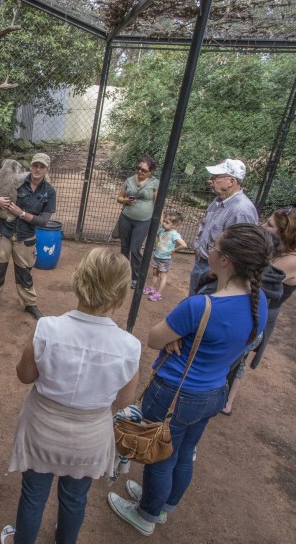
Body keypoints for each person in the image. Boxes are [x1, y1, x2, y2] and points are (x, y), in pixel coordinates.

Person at [108, 223, 271, 536]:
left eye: (215, 246)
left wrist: (178, 335)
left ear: (225, 261)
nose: (209, 249)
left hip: (175, 392)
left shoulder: (201, 306)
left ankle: (146, 514)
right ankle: (165, 505)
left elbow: (155, 338)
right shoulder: (258, 300)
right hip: (213, 392)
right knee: (184, 452)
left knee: (160, 455)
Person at [0, 248, 140, 544]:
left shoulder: (47, 329)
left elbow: (25, 376)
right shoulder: (129, 347)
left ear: (80, 279)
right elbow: (123, 402)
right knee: (75, 500)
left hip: (42, 431)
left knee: (33, 495)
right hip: (88, 439)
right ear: (120, 292)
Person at [221, 206, 296, 415]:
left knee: (236, 358)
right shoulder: (278, 252)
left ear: (287, 233)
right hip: (252, 310)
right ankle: (226, 399)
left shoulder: (292, 261)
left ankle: (225, 400)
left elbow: (254, 280)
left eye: (269, 225)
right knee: (236, 357)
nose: (263, 226)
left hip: (260, 315)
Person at [0, 153, 57, 322]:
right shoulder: (17, 179)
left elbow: (44, 221)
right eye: (35, 166)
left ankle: (29, 304)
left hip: (25, 236)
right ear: (30, 166)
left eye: (42, 167)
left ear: (47, 169)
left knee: (25, 272)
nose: (37, 169)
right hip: (2, 231)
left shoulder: (49, 192)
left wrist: (21, 213)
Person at [189, 159, 258, 296]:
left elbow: (241, 250)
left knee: (204, 308)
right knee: (194, 302)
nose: (210, 180)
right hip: (203, 263)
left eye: (215, 177)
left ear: (231, 181)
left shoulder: (242, 211)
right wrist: (199, 249)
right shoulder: (219, 201)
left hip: (216, 272)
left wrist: (214, 273)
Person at [117, 156, 159, 289]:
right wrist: (125, 201)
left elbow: (158, 203)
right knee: (124, 248)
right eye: (138, 168)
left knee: (135, 250)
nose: (140, 172)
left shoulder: (154, 183)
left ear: (150, 172)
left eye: (144, 170)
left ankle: (135, 278)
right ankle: (123, 275)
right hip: (126, 217)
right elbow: (119, 197)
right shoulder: (129, 180)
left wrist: (160, 221)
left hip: (143, 221)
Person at [143, 210, 188, 302]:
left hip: (165, 259)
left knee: (163, 276)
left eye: (167, 223)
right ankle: (152, 288)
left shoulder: (174, 234)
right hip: (157, 256)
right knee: (155, 273)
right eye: (164, 221)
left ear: (174, 225)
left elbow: (184, 245)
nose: (164, 223)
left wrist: (173, 250)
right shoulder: (161, 230)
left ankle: (158, 294)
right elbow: (157, 237)